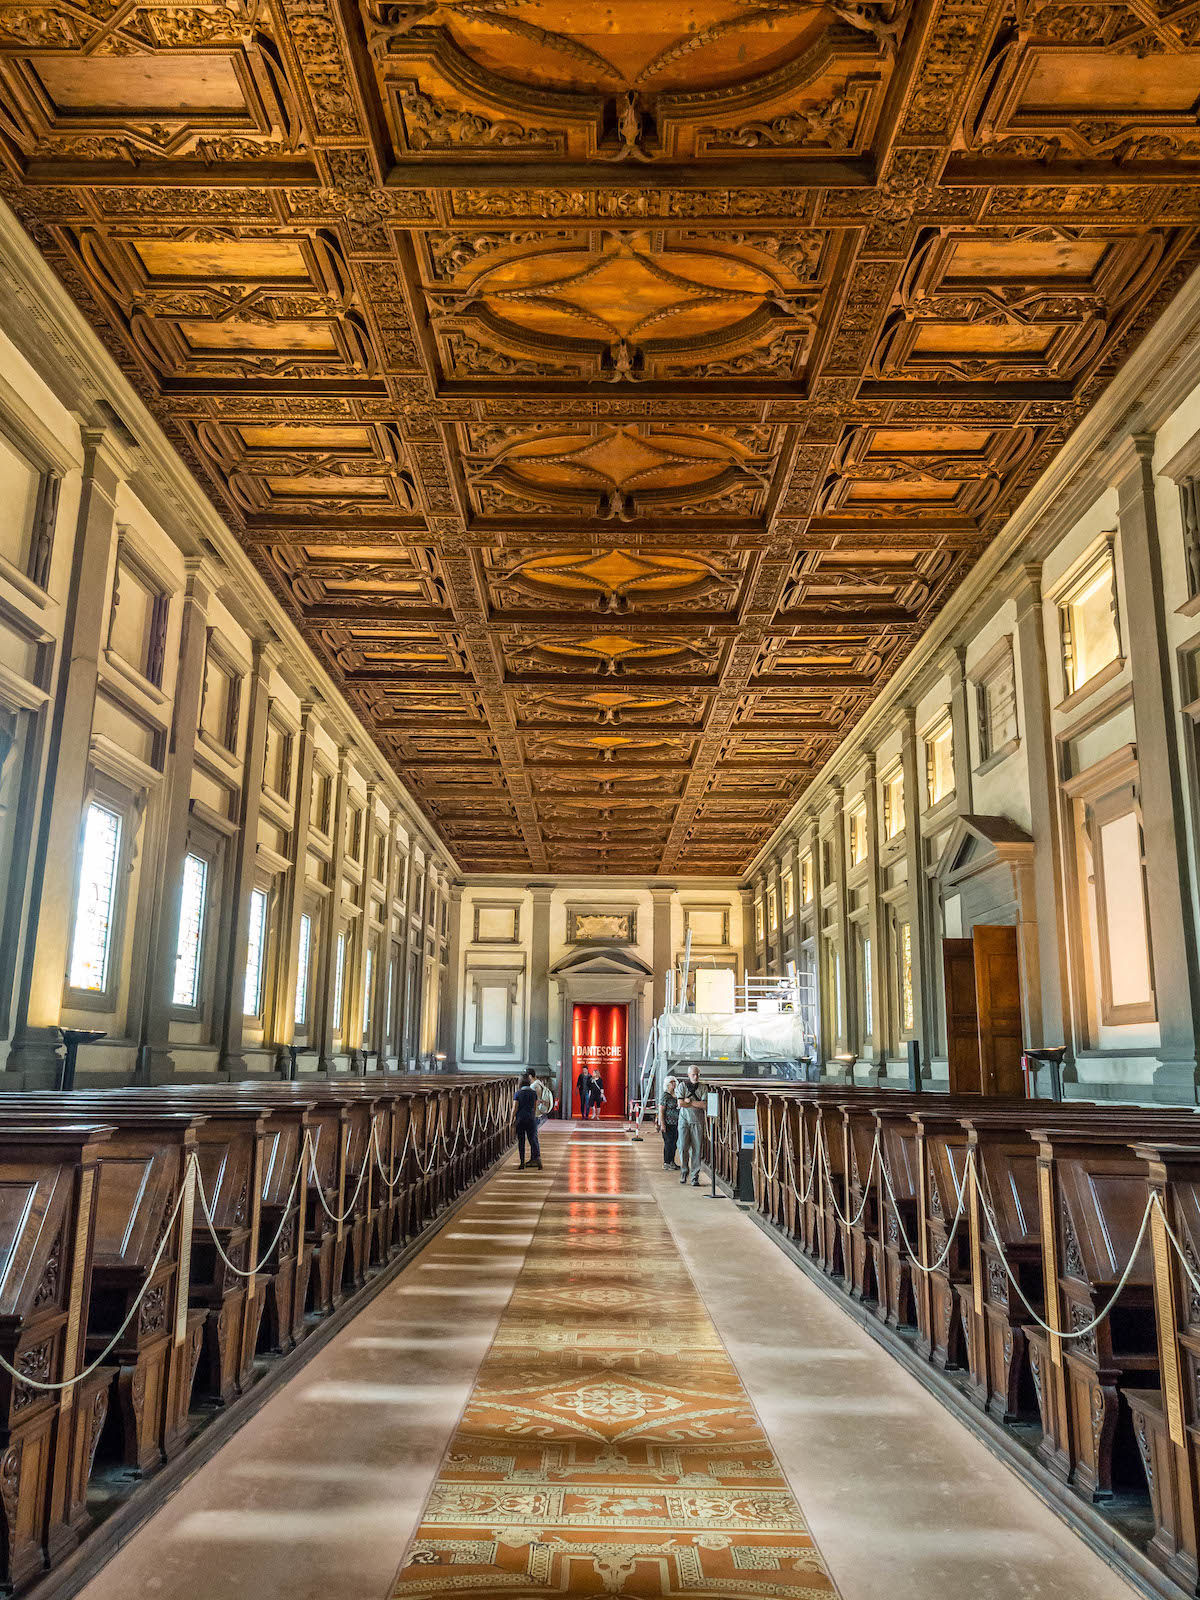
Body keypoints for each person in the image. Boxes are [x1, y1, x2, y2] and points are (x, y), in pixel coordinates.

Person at [676, 1063, 708, 1187]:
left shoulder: (703, 1088)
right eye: (693, 1074)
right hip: (684, 1120)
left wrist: (690, 1102)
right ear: (689, 1075)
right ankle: (684, 1170)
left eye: (697, 1074)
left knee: (697, 1149)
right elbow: (680, 1104)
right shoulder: (682, 1086)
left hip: (698, 1121)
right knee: (683, 1146)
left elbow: (705, 1105)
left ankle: (695, 1176)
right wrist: (693, 1103)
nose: (696, 1077)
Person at [513, 1069, 542, 1170]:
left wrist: (512, 1119)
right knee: (532, 1139)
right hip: (531, 1118)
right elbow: (534, 1107)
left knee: (521, 1140)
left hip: (521, 1119)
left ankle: (521, 1163)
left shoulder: (518, 1093)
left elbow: (515, 1108)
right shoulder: (533, 1093)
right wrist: (533, 1116)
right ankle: (537, 1159)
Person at [657, 1075, 679, 1169]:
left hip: (676, 1123)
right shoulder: (665, 1096)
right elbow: (661, 1111)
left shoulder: (676, 1095)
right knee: (668, 1143)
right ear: (667, 1084)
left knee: (674, 1144)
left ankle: (672, 1161)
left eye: (674, 1082)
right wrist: (662, 1124)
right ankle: (667, 1162)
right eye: (671, 1082)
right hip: (668, 1123)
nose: (673, 1084)